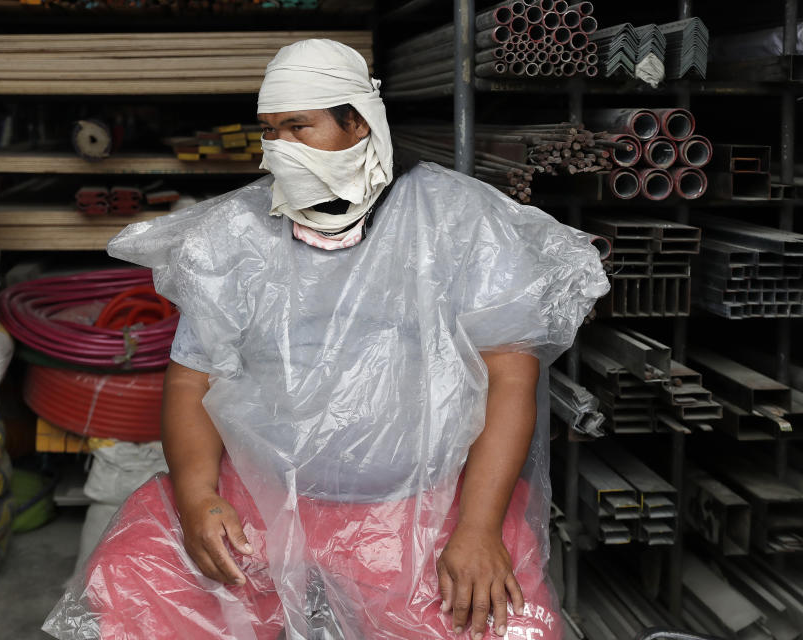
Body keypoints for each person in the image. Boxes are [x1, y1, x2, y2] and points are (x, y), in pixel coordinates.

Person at [44, 39, 608, 640]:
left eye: (299, 126)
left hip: (425, 509)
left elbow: (511, 378)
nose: (280, 149)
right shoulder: (235, 234)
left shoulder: (457, 220)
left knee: (500, 621)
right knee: (133, 584)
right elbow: (192, 376)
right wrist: (197, 498)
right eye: (269, 131)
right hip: (259, 502)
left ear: (358, 122)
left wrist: (477, 529)